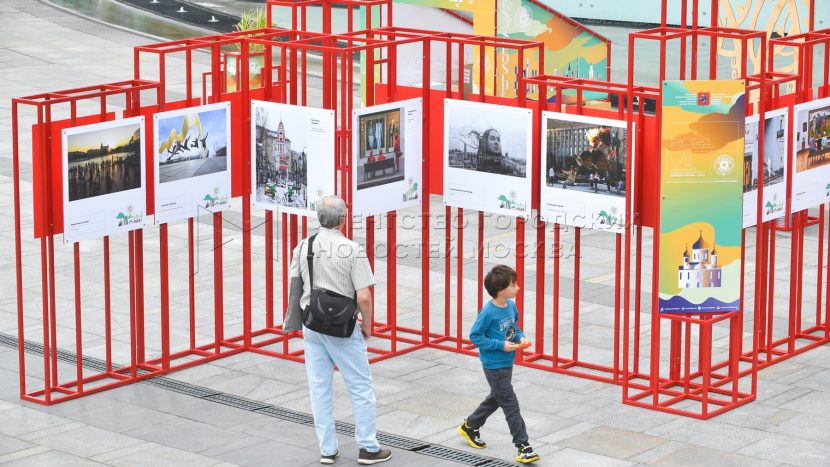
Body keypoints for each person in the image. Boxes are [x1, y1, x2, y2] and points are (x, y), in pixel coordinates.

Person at [288, 195, 392, 465]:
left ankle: (327, 449)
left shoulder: (303, 246)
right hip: (342, 328)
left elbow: (295, 287)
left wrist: (293, 321)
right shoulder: (352, 249)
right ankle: (368, 448)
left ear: (318, 218)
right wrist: (368, 325)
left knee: (319, 387)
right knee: (360, 386)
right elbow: (365, 296)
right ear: (343, 220)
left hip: (312, 324)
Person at [457, 265, 540, 464]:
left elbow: (514, 326)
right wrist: (500, 345)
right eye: (514, 285)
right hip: (493, 365)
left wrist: (521, 337)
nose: (518, 288)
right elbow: (475, 336)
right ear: (501, 290)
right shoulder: (488, 312)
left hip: (507, 362)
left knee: (497, 397)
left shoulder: (510, 306)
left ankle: (470, 425)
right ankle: (524, 446)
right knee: (510, 403)